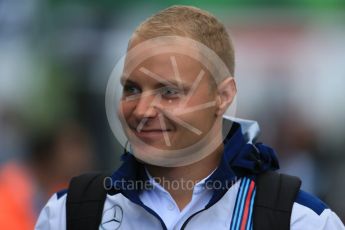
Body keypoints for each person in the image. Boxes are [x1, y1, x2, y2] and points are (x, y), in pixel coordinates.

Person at [35, 5, 344, 230]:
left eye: (169, 91)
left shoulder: (300, 221)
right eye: (131, 88)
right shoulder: (69, 213)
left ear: (222, 97)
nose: (142, 110)